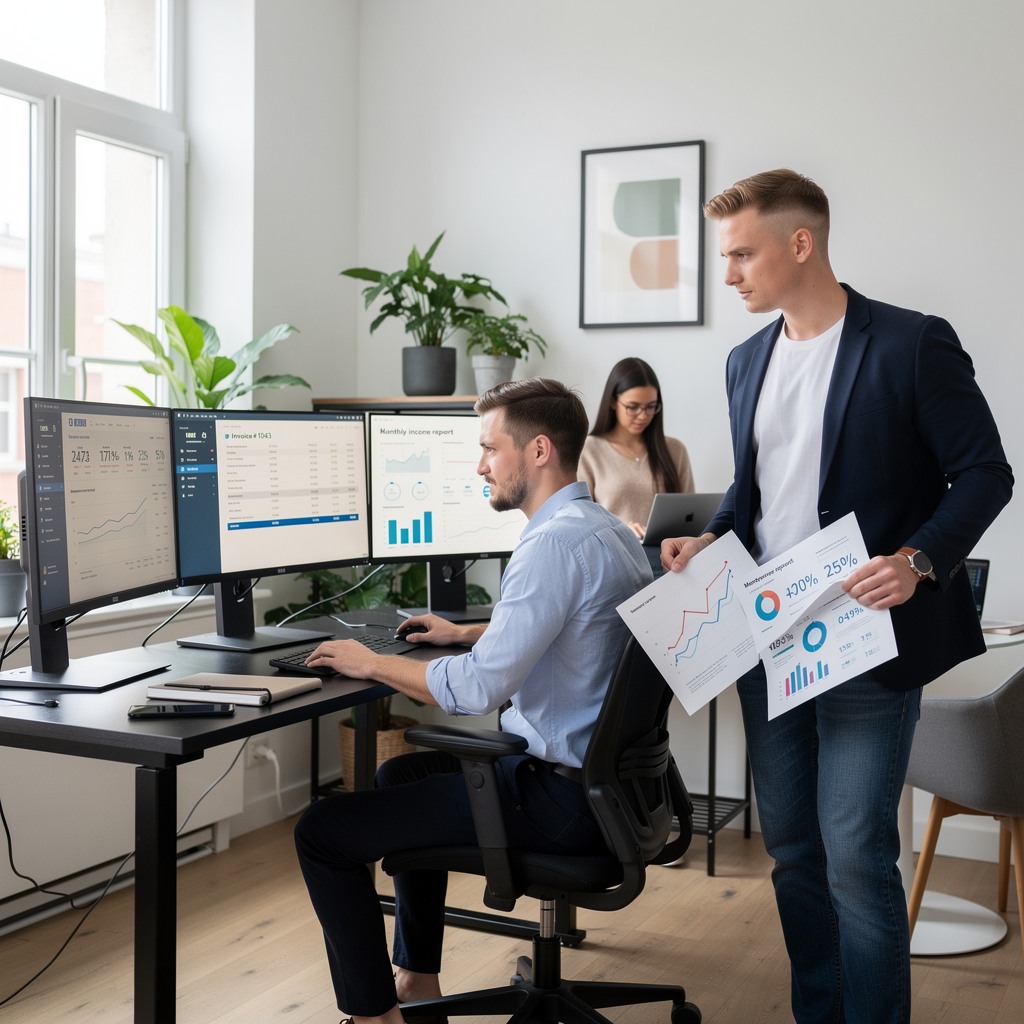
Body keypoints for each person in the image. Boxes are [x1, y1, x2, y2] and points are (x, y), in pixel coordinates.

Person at [662, 169, 1012, 1023]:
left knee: (855, 852)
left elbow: (985, 474)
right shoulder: (746, 361)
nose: (730, 272)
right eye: (725, 256)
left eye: (742, 252)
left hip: (865, 638)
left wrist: (920, 559)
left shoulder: (911, 342)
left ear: (800, 243)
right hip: (765, 638)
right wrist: (712, 539)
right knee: (791, 848)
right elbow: (757, 497)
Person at [294, 377, 653, 1024]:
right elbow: (575, 630)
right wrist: (467, 632)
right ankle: (417, 978)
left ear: (538, 451)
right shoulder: (606, 531)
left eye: (490, 447)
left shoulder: (550, 544)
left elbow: (479, 689)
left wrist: (369, 661)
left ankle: (375, 1016)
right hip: (613, 794)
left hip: (559, 802)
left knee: (321, 832)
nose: (479, 463)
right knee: (401, 771)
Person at [578, 356, 695, 540]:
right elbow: (581, 520)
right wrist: (621, 529)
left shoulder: (675, 450)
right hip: (614, 554)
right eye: (633, 407)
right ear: (613, 402)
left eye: (650, 407)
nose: (643, 416)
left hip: (668, 558)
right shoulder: (588, 450)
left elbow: (691, 517)